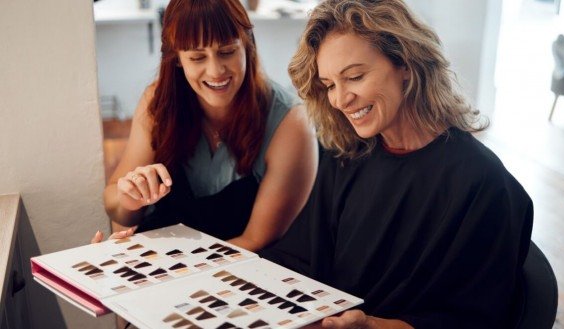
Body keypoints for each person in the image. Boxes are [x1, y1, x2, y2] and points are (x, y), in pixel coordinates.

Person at [260, 0, 533, 328]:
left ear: (405, 63)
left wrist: (373, 325)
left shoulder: (485, 185)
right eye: (330, 85)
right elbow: (299, 258)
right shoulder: (345, 155)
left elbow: (467, 320)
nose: (340, 99)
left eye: (355, 77)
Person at [97, 0, 318, 252]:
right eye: (197, 57)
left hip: (239, 274)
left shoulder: (291, 123)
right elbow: (117, 209)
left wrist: (168, 270)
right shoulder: (158, 102)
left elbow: (254, 241)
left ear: (247, 45)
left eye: (227, 52)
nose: (215, 71)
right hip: (162, 264)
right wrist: (129, 199)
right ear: (177, 59)